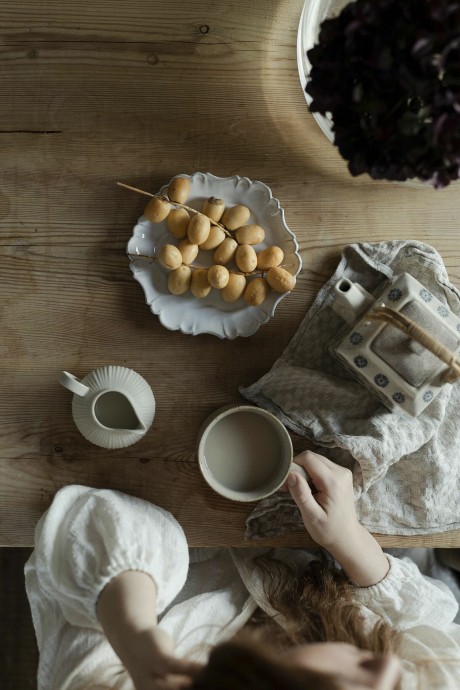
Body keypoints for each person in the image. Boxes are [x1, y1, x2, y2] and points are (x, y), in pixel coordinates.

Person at [25, 451, 460, 690]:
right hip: (347, 558)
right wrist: (349, 540)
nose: (387, 671)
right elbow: (434, 621)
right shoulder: (406, 674)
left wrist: (132, 632)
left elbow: (84, 520)